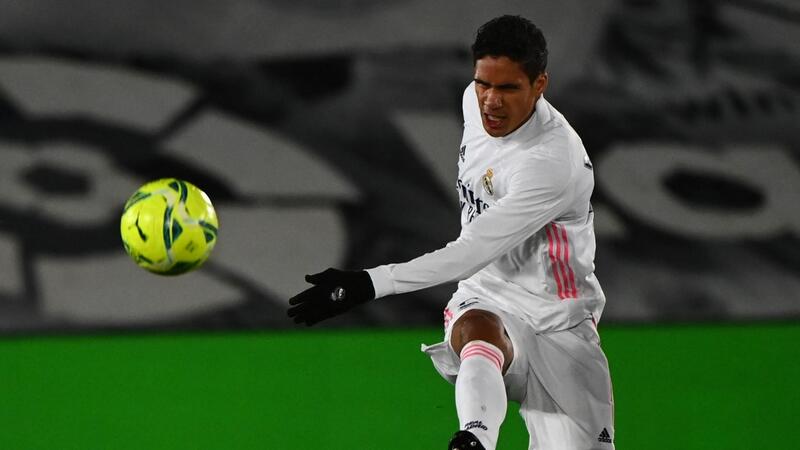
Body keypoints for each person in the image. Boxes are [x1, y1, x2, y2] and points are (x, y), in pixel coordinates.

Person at [288, 15, 615, 450]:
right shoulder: (472, 104)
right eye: (483, 83)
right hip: (489, 295)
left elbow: (471, 251)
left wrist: (370, 282)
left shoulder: (551, 162)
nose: (491, 101)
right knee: (476, 327)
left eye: (508, 88)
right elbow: (476, 263)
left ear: (540, 85)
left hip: (561, 325)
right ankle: (474, 438)